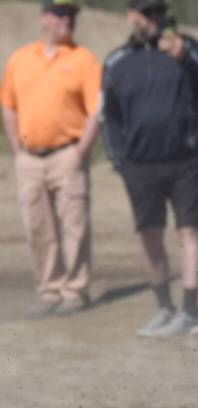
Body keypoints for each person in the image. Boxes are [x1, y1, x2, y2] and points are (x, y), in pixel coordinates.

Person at [101, 0, 198, 338]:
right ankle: (164, 307)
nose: (155, 19)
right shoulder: (117, 61)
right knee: (150, 235)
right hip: (138, 166)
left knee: (188, 232)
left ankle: (191, 311)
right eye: (147, 13)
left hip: (184, 160)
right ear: (132, 17)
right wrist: (118, 161)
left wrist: (184, 57)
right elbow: (108, 116)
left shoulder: (187, 46)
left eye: (158, 12)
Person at [1, 1, 101, 318]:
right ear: (45, 18)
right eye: (61, 14)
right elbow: (9, 105)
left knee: (74, 225)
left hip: (67, 156)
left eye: (71, 16)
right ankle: (49, 290)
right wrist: (16, 148)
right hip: (29, 159)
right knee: (38, 227)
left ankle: (74, 290)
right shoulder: (20, 59)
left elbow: (96, 111)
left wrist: (80, 152)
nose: (67, 21)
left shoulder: (84, 60)